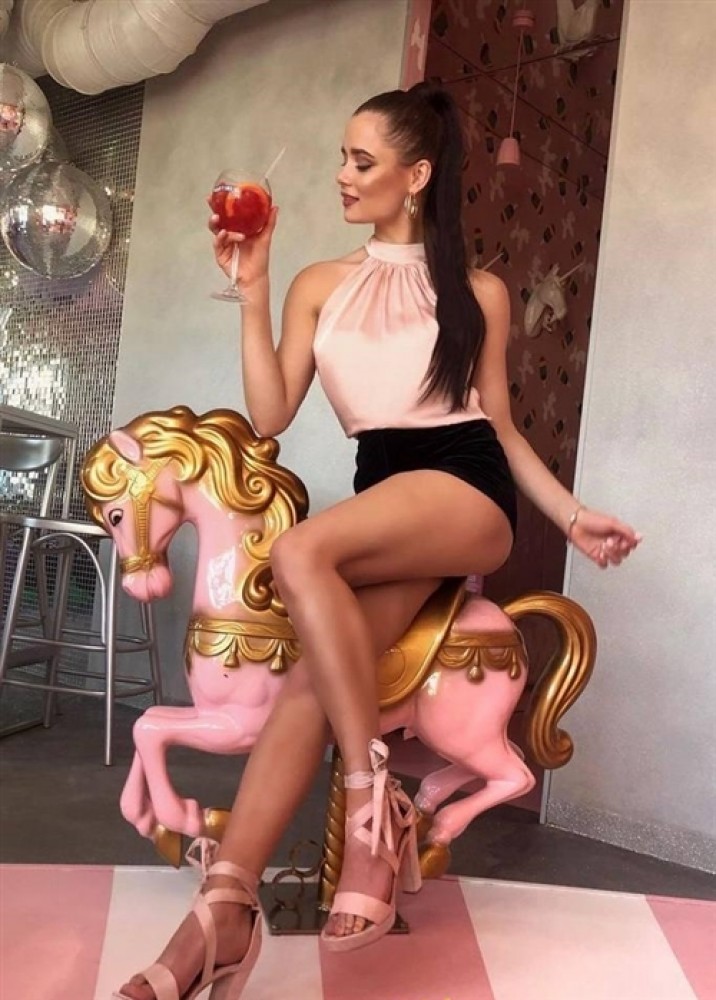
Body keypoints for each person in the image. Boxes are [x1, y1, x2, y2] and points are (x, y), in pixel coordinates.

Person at [115, 82, 641, 1000]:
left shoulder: (479, 292)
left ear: (418, 174)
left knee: (299, 551)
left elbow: (500, 425)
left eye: (362, 160)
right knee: (313, 684)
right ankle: (222, 915)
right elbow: (270, 414)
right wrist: (253, 287)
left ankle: (369, 797)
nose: (342, 175)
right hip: (385, 500)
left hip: (464, 488)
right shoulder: (320, 284)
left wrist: (570, 513)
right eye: (342, 158)